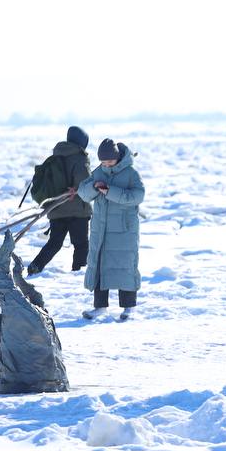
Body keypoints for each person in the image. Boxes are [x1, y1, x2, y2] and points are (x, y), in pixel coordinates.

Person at [78, 138, 145, 321]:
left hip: (124, 229)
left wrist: (110, 191)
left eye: (109, 161)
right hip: (101, 229)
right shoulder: (99, 171)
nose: (106, 164)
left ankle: (129, 308)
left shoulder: (130, 173)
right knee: (100, 266)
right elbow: (83, 194)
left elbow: (138, 196)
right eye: (103, 161)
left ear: (117, 157)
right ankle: (100, 307)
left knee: (125, 267)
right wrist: (94, 187)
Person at [27, 126, 93, 275]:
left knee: (54, 243)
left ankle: (35, 266)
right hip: (77, 211)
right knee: (81, 244)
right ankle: (79, 272)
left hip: (56, 209)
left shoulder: (56, 155)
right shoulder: (80, 157)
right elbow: (84, 182)